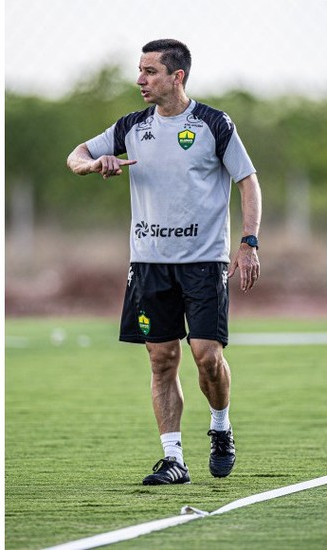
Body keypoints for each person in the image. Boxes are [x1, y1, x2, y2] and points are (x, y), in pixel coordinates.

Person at [66, 39, 261, 485]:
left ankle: (220, 428)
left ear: (178, 77)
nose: (140, 80)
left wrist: (249, 242)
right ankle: (173, 459)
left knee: (206, 356)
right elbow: (75, 156)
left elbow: (248, 181)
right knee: (161, 360)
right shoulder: (130, 126)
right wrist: (95, 166)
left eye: (150, 71)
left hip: (204, 261)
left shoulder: (213, 123)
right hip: (149, 263)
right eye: (139, 71)